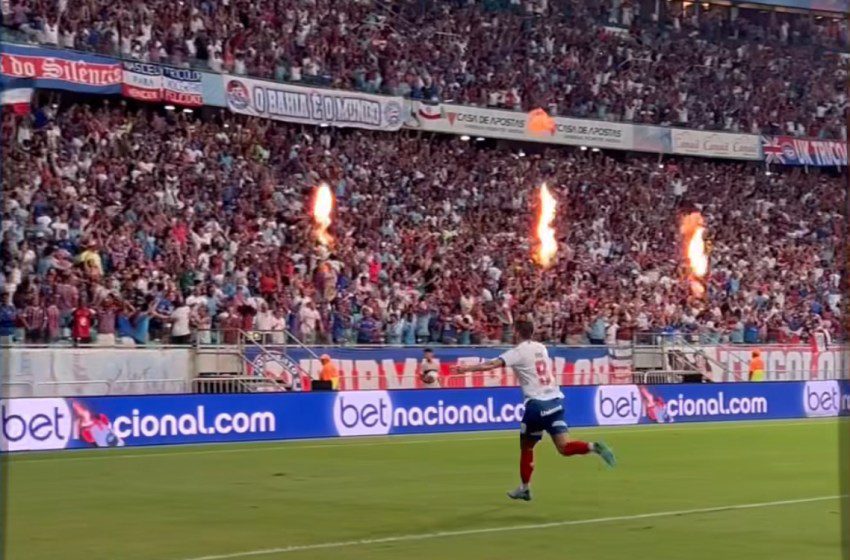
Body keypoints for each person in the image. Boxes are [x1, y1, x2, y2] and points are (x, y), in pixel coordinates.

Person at [451, 320, 615, 502]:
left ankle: (525, 488)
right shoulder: (541, 348)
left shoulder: (517, 352)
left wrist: (465, 369)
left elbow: (490, 365)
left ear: (517, 332)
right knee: (563, 447)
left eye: (513, 331)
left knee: (527, 446)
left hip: (537, 405)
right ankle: (593, 446)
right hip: (556, 401)